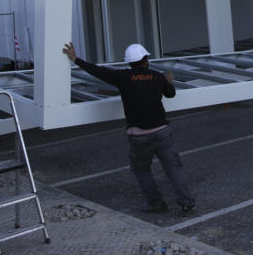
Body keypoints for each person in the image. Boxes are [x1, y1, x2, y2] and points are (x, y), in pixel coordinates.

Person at [62, 41, 196, 214]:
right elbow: (170, 93)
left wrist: (76, 59)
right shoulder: (157, 76)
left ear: (129, 62)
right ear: (146, 59)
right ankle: (186, 202)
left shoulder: (124, 77)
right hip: (162, 132)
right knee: (173, 168)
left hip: (139, 136)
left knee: (141, 169)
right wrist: (169, 82)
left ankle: (156, 202)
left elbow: (99, 72)